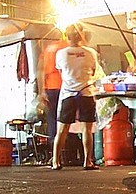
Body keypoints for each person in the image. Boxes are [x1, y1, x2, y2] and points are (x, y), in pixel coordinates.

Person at [50, 24, 104, 170]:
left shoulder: (61, 54)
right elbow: (93, 72)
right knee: (87, 129)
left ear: (67, 37)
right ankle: (87, 161)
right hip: (86, 92)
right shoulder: (91, 53)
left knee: (62, 128)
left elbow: (61, 72)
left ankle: (56, 161)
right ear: (82, 36)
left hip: (68, 93)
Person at [41, 37, 69, 144]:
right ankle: (67, 144)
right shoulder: (66, 47)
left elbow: (43, 70)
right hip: (65, 87)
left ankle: (54, 144)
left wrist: (43, 90)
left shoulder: (48, 49)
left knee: (52, 118)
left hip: (50, 88)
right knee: (65, 118)